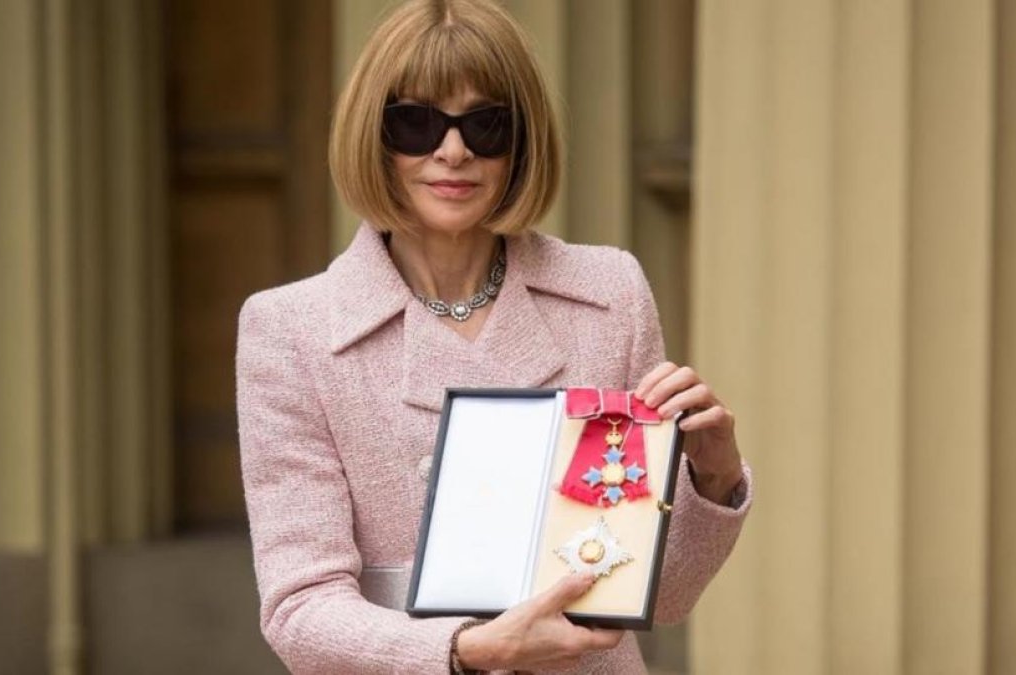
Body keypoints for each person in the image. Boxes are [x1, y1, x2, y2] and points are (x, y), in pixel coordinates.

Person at [235, 0, 751, 672]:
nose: (453, 150)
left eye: (487, 124)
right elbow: (300, 607)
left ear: (523, 142)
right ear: (375, 135)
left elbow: (665, 596)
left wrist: (713, 475)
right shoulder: (291, 330)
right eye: (415, 122)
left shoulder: (608, 294)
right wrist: (468, 650)